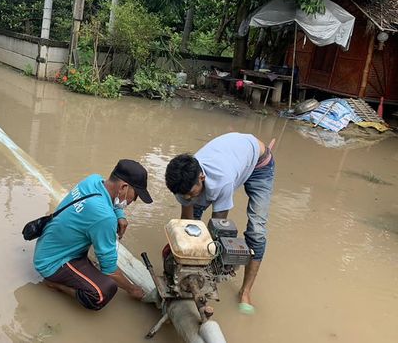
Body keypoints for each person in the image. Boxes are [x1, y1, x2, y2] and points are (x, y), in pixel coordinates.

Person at [165, 132, 275, 314]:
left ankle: (245, 291)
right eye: (184, 195)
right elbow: (187, 222)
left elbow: (219, 227)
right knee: (193, 225)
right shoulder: (181, 183)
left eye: (191, 193)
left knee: (256, 231)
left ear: (201, 178)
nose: (187, 198)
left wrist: (210, 263)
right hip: (235, 158)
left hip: (260, 164)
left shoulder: (222, 181)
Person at [34, 159, 153, 311]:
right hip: (52, 262)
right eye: (135, 195)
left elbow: (107, 200)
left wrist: (120, 215)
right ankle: (55, 285)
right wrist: (132, 289)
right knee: (104, 291)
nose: (133, 201)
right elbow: (109, 270)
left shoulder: (94, 180)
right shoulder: (104, 217)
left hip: (47, 245)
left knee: (98, 239)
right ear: (124, 187)